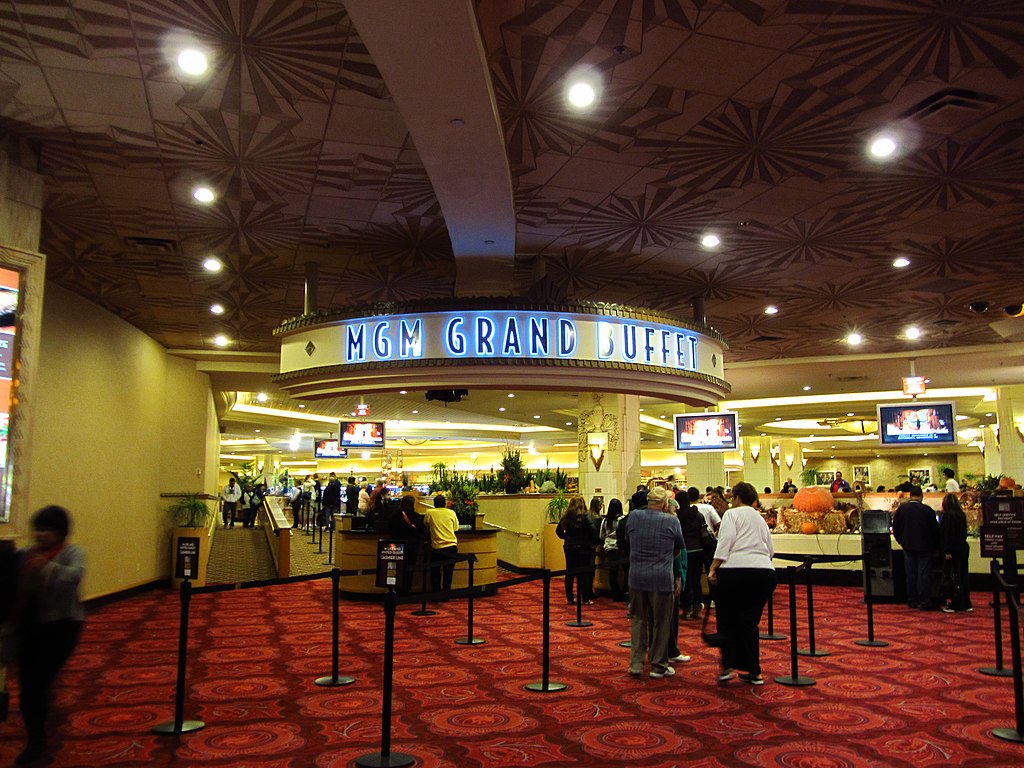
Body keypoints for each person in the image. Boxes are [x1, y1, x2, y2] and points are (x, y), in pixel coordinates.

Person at [12, 506, 86, 765]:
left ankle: (38, 742)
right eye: (39, 530)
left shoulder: (72, 553)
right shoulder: (23, 555)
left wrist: (46, 567)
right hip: (29, 627)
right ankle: (36, 735)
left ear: (60, 533)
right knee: (29, 685)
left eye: (48, 531)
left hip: (63, 627)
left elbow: (74, 576)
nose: (42, 535)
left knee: (37, 683)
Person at [708, 482, 776, 686]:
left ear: (736, 498)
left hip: (735, 572)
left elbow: (725, 541)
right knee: (749, 624)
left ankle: (728, 666)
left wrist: (713, 567)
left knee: (727, 621)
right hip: (763, 573)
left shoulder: (731, 514)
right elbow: (770, 549)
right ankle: (755, 671)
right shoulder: (759, 518)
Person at [624, 486, 684, 679]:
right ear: (665, 503)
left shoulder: (633, 517)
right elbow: (678, 549)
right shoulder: (672, 521)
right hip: (661, 579)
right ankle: (658, 665)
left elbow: (628, 540)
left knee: (638, 620)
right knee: (661, 623)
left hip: (636, 577)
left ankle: (636, 664)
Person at [893, 484, 940, 610]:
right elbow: (935, 530)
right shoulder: (927, 510)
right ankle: (923, 600)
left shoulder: (902, 509)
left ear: (909, 496)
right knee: (923, 574)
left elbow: (895, 528)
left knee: (910, 574)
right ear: (922, 496)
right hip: (925, 546)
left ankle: (911, 600)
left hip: (908, 546)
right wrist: (935, 545)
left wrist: (901, 541)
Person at [556, 496, 599, 605]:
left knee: (569, 572)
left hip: (569, 546)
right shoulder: (585, 516)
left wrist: (567, 537)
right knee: (583, 573)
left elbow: (558, 531)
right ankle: (585, 599)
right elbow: (593, 530)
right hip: (584, 547)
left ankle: (570, 597)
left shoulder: (567, 515)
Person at [939, 493, 972, 613]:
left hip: (952, 550)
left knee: (952, 576)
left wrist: (947, 551)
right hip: (962, 547)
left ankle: (954, 603)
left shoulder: (947, 516)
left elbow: (947, 535)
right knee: (962, 575)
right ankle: (966, 602)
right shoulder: (960, 514)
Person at [388, 495, 424, 594]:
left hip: (397, 545)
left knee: (397, 568)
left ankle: (396, 589)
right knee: (409, 568)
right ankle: (406, 589)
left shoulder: (394, 515)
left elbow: (389, 528)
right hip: (412, 545)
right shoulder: (416, 516)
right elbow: (422, 529)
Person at [424, 494, 459, 595]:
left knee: (435, 572)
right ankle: (446, 594)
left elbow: (426, 525)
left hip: (437, 547)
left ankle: (436, 593)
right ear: (445, 504)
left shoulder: (430, 512)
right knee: (448, 572)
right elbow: (456, 528)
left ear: (434, 504)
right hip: (451, 546)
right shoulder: (451, 512)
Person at [677, 500, 705, 620]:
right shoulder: (699, 515)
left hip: (686, 550)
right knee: (696, 580)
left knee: (686, 581)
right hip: (699, 549)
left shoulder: (680, 517)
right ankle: (697, 608)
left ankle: (686, 609)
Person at [601, 498, 627, 601]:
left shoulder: (605, 521)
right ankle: (625, 591)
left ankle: (615, 593)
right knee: (626, 570)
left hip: (609, 547)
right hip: (620, 547)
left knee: (613, 571)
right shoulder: (622, 520)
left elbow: (601, 536)